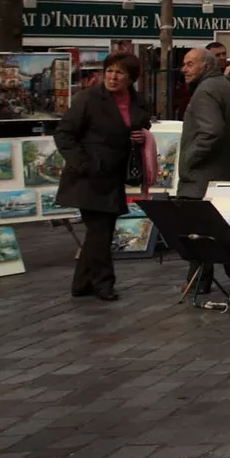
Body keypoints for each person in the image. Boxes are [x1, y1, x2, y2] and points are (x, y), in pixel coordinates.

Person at [53, 52, 151, 301]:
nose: (113, 77)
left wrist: (140, 135)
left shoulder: (137, 100)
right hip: (89, 176)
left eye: (119, 73)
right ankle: (103, 282)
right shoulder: (89, 98)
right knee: (100, 230)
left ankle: (82, 283)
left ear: (130, 78)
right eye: (109, 71)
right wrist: (83, 163)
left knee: (101, 231)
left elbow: (141, 123)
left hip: (114, 176)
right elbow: (64, 134)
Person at [177, 48, 230, 198]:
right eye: (184, 64)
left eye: (190, 64)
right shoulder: (222, 85)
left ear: (205, 67)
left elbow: (211, 132)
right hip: (220, 178)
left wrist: (188, 160)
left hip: (202, 182)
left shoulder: (206, 90)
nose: (184, 69)